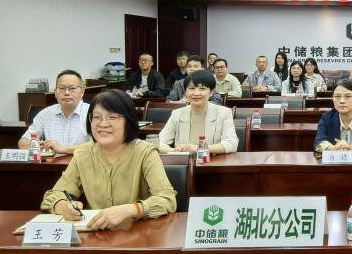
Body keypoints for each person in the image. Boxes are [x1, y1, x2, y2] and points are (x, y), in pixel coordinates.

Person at [40, 89, 177, 230]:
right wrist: (63, 206)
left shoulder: (145, 152)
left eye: (112, 117)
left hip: (136, 233)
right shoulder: (83, 153)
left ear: (128, 121)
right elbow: (53, 195)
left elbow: (167, 199)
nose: (103, 124)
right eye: (97, 117)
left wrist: (132, 209)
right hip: (96, 234)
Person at [157, 71, 238, 154]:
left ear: (211, 92)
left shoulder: (224, 113)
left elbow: (231, 144)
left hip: (213, 160)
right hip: (184, 160)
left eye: (202, 89)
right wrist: (175, 151)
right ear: (185, 91)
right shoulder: (177, 114)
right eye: (191, 88)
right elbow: (159, 143)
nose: (196, 93)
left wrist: (198, 148)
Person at [19, 69, 92, 155]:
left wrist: (62, 149)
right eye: (62, 88)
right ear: (55, 93)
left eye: (72, 88)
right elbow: (23, 141)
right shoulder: (45, 114)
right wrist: (34, 145)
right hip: (53, 163)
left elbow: (97, 145)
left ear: (82, 92)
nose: (67, 93)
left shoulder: (92, 113)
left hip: (83, 162)